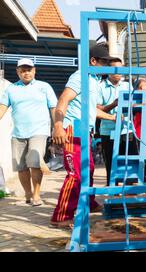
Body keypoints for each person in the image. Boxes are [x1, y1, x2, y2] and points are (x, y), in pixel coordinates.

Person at [50, 44, 117, 228]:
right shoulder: (80, 76)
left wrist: (112, 116)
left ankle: (89, 202)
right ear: (93, 61)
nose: (108, 66)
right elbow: (63, 99)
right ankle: (61, 216)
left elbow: (91, 109)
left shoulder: (94, 81)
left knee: (89, 169)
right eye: (104, 62)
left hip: (85, 132)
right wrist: (57, 126)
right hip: (73, 130)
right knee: (75, 175)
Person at [0, 58, 57, 206]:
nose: (26, 73)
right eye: (23, 70)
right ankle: (28, 193)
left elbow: (53, 108)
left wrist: (57, 126)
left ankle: (36, 195)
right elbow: (2, 107)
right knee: (21, 167)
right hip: (18, 133)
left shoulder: (44, 87)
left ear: (34, 70)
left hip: (39, 131)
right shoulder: (11, 89)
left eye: (29, 69)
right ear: (18, 72)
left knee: (35, 162)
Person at [97, 58, 138, 186]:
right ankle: (112, 189)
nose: (119, 72)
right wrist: (115, 104)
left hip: (127, 129)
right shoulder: (100, 87)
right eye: (116, 69)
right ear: (109, 70)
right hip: (108, 130)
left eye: (121, 69)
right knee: (110, 160)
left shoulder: (127, 85)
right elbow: (97, 109)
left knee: (129, 160)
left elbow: (134, 103)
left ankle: (130, 188)